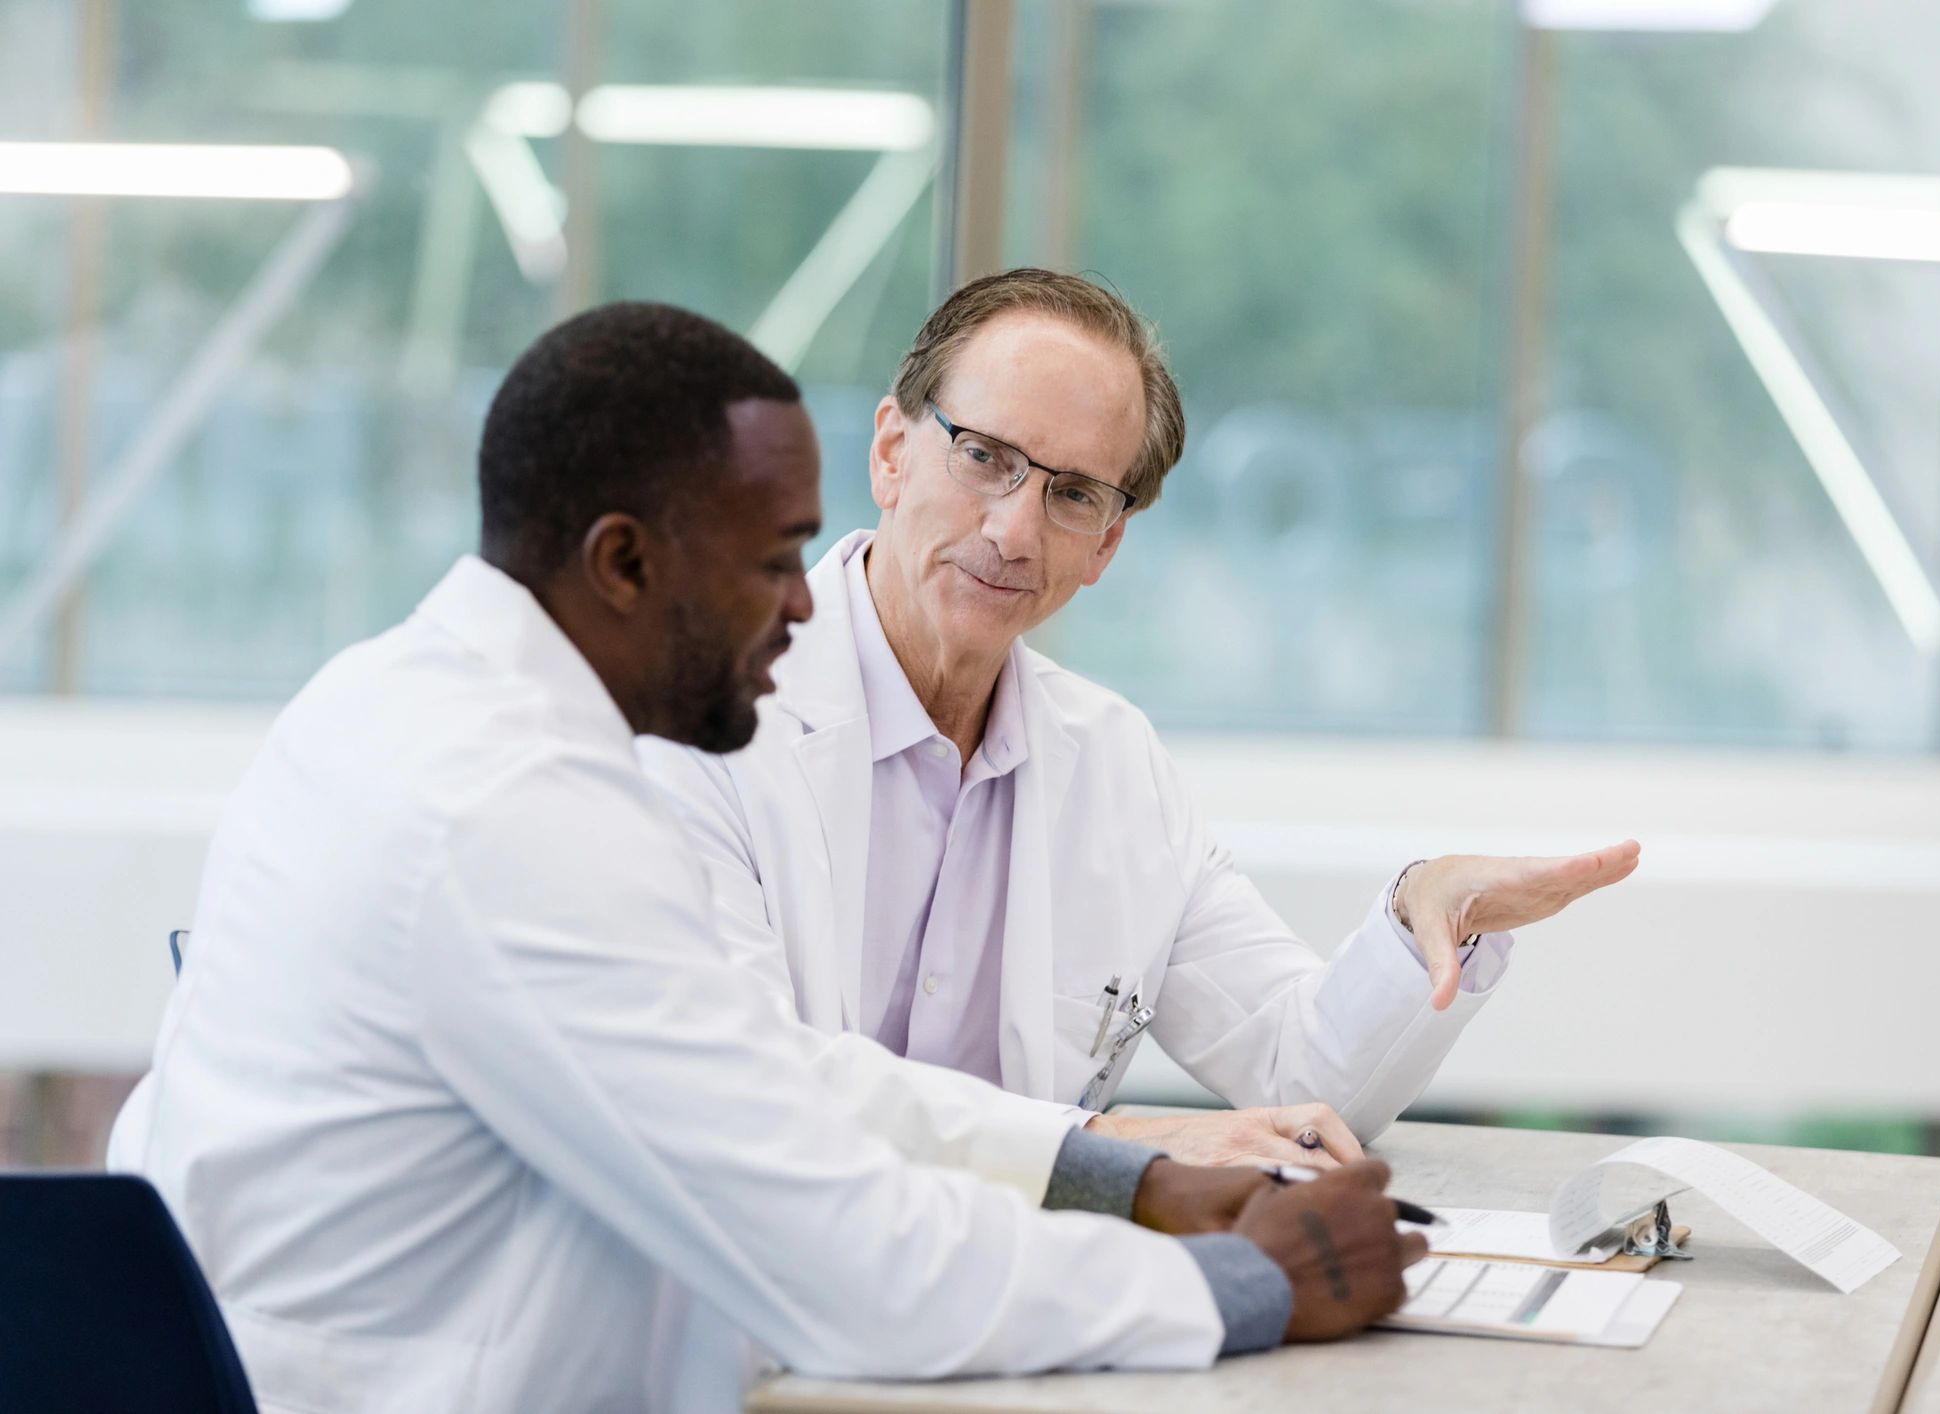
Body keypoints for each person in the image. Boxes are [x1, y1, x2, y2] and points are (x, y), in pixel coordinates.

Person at [105, 303, 1425, 1414]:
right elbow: (841, 1259)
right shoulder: (507, 814)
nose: (807, 603)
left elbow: (764, 1067)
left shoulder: (395, 697)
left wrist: (1130, 1175)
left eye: (1071, 491)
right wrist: (1252, 1282)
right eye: (773, 561)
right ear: (622, 561)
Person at [640, 269, 1640, 1168]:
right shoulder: (696, 719)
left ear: (1107, 545)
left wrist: (1430, 905)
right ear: (893, 453)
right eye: (984, 457)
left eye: (1071, 494)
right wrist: (1111, 1151)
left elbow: (1306, 1076)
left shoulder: (1113, 765)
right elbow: (745, 1089)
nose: (1013, 529)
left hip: (1012, 1330)